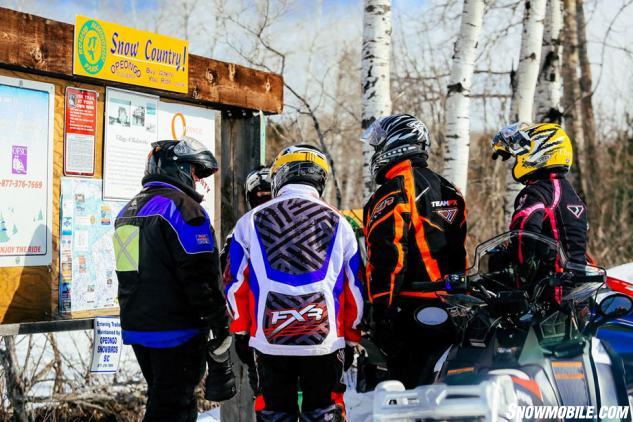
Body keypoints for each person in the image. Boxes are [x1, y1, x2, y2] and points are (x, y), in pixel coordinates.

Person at [224, 145, 364, 421]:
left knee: (275, 413)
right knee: (324, 412)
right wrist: (352, 337)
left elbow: (234, 283)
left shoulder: (248, 221)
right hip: (324, 338)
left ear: (280, 176)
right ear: (320, 179)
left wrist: (240, 331)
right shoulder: (341, 222)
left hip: (269, 337)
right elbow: (355, 287)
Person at [113, 138, 234, 422]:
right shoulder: (183, 209)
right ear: (177, 168)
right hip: (177, 331)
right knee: (174, 407)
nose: (198, 181)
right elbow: (200, 275)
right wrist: (219, 323)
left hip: (139, 329)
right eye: (195, 172)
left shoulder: (128, 210)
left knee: (163, 398)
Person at [361, 114, 467, 388]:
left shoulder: (395, 189)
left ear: (396, 143)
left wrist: (381, 310)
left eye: (377, 145)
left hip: (410, 307)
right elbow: (458, 249)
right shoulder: (449, 188)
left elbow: (389, 254)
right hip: (454, 305)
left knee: (404, 393)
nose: (375, 152)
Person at [491, 122, 588, 266]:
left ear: (540, 151)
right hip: (574, 281)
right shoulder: (570, 192)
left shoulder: (537, 192)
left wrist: (514, 264)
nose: (517, 160)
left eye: (519, 156)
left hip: (548, 285)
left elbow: (524, 233)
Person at [219, 165, 272, 405]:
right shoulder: (240, 230)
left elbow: (228, 278)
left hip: (257, 332)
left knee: (269, 401)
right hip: (305, 328)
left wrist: (240, 329)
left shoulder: (242, 228)